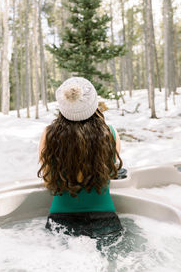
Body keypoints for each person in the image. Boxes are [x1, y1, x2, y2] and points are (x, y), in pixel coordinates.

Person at [38, 77, 123, 239]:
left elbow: (48, 181)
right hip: (105, 221)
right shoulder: (110, 134)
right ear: (93, 104)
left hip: (61, 222)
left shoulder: (48, 135)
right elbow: (109, 174)